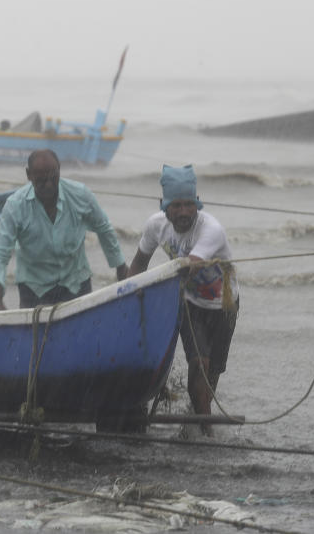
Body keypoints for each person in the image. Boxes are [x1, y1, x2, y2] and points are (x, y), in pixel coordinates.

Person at [128, 164, 239, 436]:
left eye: (189, 205)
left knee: (212, 375)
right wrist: (127, 295)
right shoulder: (156, 226)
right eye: (176, 205)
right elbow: (139, 263)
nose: (183, 212)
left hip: (224, 306)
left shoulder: (211, 229)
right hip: (190, 306)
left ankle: (197, 420)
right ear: (164, 206)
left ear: (197, 204)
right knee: (198, 366)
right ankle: (207, 434)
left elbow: (191, 265)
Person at [0, 149, 128, 311]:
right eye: (41, 180)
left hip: (76, 283)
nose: (48, 185)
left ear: (60, 170)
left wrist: (121, 268)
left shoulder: (80, 195)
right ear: (28, 175)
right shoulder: (15, 206)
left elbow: (104, 228)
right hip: (34, 289)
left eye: (53, 178)